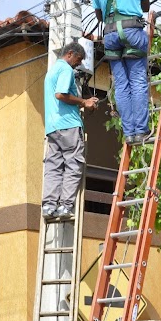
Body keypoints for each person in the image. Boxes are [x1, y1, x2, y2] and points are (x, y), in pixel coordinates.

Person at [92, 0, 151, 145]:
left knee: (121, 85)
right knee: (137, 81)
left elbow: (99, 15)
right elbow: (145, 6)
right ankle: (141, 131)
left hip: (110, 36)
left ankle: (129, 133)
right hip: (132, 31)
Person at [42, 42, 98, 219]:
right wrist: (84, 102)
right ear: (70, 54)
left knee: (53, 167)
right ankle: (66, 206)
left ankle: (49, 207)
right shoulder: (65, 70)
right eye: (78, 60)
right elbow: (61, 94)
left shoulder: (51, 71)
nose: (78, 64)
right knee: (73, 164)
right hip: (68, 125)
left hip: (53, 127)